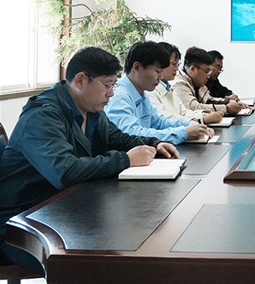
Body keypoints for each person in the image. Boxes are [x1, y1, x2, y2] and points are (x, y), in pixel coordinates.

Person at [0, 47, 179, 270]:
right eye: (107, 85)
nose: (111, 93)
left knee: (137, 237)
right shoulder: (43, 116)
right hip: (21, 224)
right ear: (81, 80)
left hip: (66, 209)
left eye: (114, 85)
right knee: (106, 261)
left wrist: (154, 143)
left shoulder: (92, 111)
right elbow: (64, 171)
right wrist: (125, 160)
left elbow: (119, 139)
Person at [105, 41, 211, 144]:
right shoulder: (119, 96)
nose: (160, 77)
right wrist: (183, 133)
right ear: (137, 67)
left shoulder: (141, 93)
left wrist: (189, 123)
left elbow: (159, 122)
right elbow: (132, 134)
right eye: (157, 71)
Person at [148, 42, 223, 125]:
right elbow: (164, 120)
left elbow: (184, 112)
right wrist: (202, 119)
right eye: (174, 64)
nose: (176, 69)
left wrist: (201, 115)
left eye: (177, 65)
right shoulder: (151, 90)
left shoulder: (168, 88)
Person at [172, 46, 245, 115]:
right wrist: (226, 108)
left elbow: (208, 99)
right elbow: (193, 107)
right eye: (206, 71)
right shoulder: (179, 83)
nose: (208, 76)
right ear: (192, 69)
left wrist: (228, 101)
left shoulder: (196, 81)